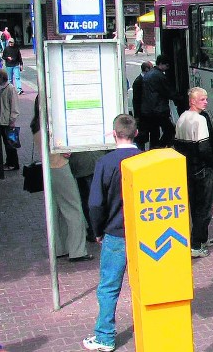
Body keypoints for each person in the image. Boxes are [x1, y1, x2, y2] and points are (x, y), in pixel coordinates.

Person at [81, 114, 142, 352]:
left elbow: (95, 203)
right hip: (143, 234)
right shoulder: (145, 159)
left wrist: (97, 231)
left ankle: (105, 337)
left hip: (115, 233)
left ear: (114, 134)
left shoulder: (105, 164)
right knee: (143, 285)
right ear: (136, 133)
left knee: (108, 286)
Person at [31, 96, 93, 262]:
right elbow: (65, 151)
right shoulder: (53, 126)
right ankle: (77, 250)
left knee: (56, 210)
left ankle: (59, 248)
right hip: (60, 166)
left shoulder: (36, 125)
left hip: (48, 168)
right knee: (73, 209)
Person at [173, 87, 213, 258]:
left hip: (188, 168)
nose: (206, 102)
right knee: (204, 207)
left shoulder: (182, 118)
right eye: (202, 99)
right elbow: (204, 148)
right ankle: (197, 244)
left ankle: (202, 237)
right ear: (192, 101)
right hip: (201, 169)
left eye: (206, 99)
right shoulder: (199, 120)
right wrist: (211, 165)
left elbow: (177, 144)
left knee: (194, 205)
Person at [140, 55, 176, 148]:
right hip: (158, 109)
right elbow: (167, 92)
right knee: (170, 130)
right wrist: (178, 97)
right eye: (166, 66)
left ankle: (154, 150)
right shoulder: (160, 76)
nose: (167, 68)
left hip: (148, 110)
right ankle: (159, 148)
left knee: (154, 133)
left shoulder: (148, 75)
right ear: (161, 64)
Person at [0, 69, 19, 171]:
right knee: (7, 143)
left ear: (1, 77)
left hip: (7, 121)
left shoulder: (10, 88)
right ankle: (9, 162)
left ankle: (13, 164)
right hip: (2, 120)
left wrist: (12, 120)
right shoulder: (0, 88)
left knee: (10, 144)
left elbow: (14, 105)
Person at [131, 61, 153, 149]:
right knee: (142, 135)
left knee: (149, 132)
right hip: (141, 113)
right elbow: (136, 100)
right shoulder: (138, 81)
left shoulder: (146, 79)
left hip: (148, 111)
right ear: (146, 69)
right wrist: (136, 115)